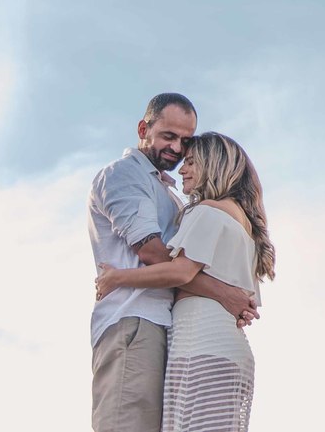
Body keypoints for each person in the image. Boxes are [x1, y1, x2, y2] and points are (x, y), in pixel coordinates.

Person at [89, 95, 259, 432]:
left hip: (169, 328)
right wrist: (224, 295)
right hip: (135, 321)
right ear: (144, 129)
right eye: (169, 136)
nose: (177, 149)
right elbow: (152, 253)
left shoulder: (174, 196)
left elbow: (187, 264)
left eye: (185, 141)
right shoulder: (124, 175)